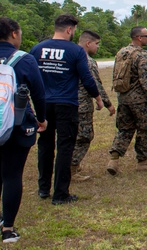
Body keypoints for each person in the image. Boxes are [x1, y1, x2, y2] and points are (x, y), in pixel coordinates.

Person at [0, 17, 47, 242]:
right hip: (17, 123)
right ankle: (9, 230)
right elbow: (39, 94)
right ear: (13, 33)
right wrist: (42, 119)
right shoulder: (25, 60)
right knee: (12, 174)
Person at [30, 14, 103, 205]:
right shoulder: (75, 51)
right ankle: (60, 193)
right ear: (69, 30)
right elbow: (87, 78)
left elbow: (30, 75)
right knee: (65, 147)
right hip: (66, 104)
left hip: (43, 104)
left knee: (45, 145)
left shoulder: (37, 49)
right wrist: (97, 97)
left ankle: (43, 188)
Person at [106, 26, 147, 174]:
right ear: (139, 37)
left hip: (123, 98)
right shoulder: (141, 55)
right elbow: (146, 82)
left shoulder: (121, 53)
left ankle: (114, 159)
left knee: (124, 129)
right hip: (139, 101)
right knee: (145, 130)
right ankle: (142, 161)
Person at [71, 30, 115, 181]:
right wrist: (107, 103)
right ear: (88, 43)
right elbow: (95, 84)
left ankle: (69, 165)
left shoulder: (69, 55)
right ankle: (71, 168)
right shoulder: (87, 61)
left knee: (70, 136)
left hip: (67, 103)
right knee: (84, 136)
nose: (98, 47)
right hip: (81, 104)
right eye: (96, 44)